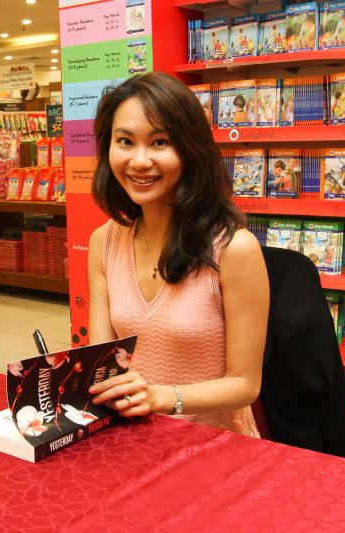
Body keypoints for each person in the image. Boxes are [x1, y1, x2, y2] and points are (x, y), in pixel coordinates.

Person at [86, 72, 269, 437]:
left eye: (159, 142)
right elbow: (103, 364)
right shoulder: (103, 242)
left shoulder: (234, 249)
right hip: (132, 438)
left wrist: (161, 398)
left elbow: (245, 384)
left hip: (214, 447)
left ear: (190, 149)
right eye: (125, 141)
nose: (139, 161)